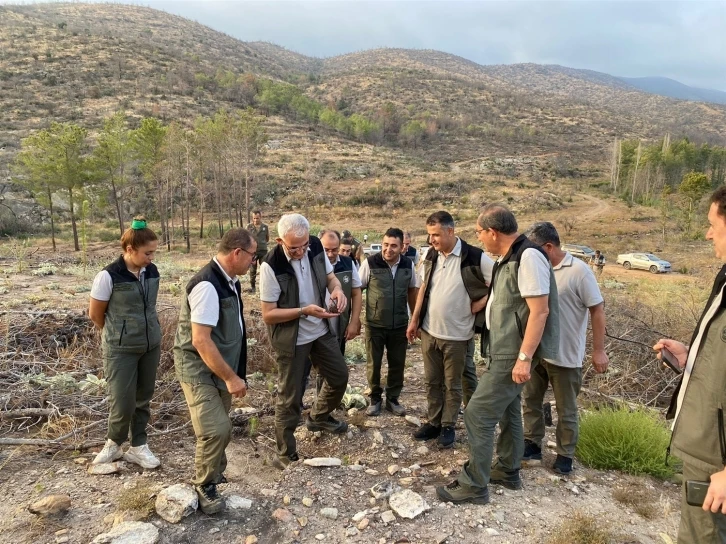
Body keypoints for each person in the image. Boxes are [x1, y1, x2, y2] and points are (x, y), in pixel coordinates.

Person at [437, 204, 559, 504]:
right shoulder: (513, 256)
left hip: (512, 352)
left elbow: (540, 311)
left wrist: (524, 358)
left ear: (493, 232)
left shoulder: (527, 256)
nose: (479, 238)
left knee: (478, 412)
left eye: (480, 232)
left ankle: (474, 484)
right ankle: (507, 469)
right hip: (502, 349)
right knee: (507, 410)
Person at [655, 187, 726, 543]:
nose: (707, 232)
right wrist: (691, 356)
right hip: (710, 448)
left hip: (719, 457)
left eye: (713, 223)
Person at [174, 228, 256, 514]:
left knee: (220, 424)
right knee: (216, 429)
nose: (253, 262)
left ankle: (215, 471)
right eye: (252, 256)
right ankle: (204, 484)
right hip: (200, 369)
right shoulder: (207, 285)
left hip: (218, 366)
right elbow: (200, 340)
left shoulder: (229, 281)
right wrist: (232, 377)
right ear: (237, 253)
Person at [260, 214, 350, 469]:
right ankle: (285, 454)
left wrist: (337, 290)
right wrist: (303, 311)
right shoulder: (271, 265)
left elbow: (331, 278)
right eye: (293, 247)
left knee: (339, 376)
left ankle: (319, 416)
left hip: (320, 330)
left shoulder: (315, 246)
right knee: (290, 397)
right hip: (292, 338)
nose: (300, 251)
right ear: (279, 241)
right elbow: (268, 313)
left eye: (304, 245)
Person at [523, 222, 609, 475]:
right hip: (537, 353)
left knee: (566, 408)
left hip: (566, 354)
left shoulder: (579, 271)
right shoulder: (537, 270)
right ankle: (532, 444)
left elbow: (597, 310)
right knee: (531, 401)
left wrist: (598, 350)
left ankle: (564, 454)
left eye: (535, 248)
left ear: (548, 247)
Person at [407, 211, 493, 448]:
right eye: (429, 234)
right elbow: (424, 288)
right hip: (429, 331)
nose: (431, 239)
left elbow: (500, 281)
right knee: (432, 381)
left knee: (453, 383)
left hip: (457, 335)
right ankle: (434, 422)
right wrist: (414, 321)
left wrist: (481, 302)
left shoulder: (475, 257)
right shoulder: (431, 255)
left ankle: (448, 426)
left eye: (435, 234)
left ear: (450, 231)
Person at [89, 217, 162, 471]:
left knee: (144, 397)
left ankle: (139, 446)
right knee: (122, 400)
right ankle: (114, 443)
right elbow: (96, 315)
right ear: (130, 250)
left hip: (150, 344)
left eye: (153, 252)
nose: (151, 257)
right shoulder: (108, 276)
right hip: (119, 349)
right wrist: (119, 333)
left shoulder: (152, 271)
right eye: (147, 253)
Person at [359, 228, 420, 416]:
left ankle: (392, 399)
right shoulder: (370, 263)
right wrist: (354, 319)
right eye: (386, 244)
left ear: (402, 247)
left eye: (394, 246)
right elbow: (357, 289)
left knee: (397, 363)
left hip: (400, 325)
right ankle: (375, 399)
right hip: (375, 324)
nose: (388, 249)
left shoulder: (408, 265)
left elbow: (412, 291)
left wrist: (414, 321)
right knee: (373, 364)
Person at [300, 229, 363, 403]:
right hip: (312, 328)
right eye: (326, 249)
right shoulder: (310, 263)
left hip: (338, 327)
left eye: (334, 249)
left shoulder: (348, 263)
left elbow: (356, 293)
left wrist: (354, 321)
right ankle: (299, 406)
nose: (330, 253)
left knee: (333, 368)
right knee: (306, 369)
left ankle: (325, 407)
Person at [245, 210, 270, 292]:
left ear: (260, 217)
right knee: (252, 270)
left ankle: (265, 287)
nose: (256, 220)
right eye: (254, 218)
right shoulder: (249, 227)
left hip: (263, 251)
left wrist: (261, 243)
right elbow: (246, 238)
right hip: (253, 252)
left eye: (257, 218)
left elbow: (267, 238)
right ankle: (253, 287)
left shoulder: (265, 227)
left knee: (264, 269)